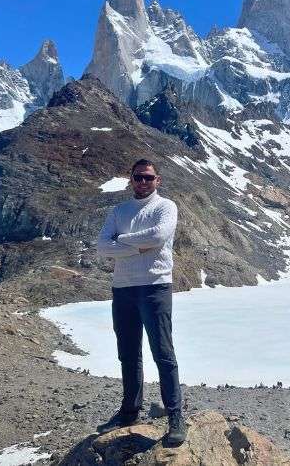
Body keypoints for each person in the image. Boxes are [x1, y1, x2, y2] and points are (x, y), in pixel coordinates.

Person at [95, 159, 186, 446]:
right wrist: (139, 245)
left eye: (148, 178)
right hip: (123, 289)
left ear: (157, 180)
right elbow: (101, 247)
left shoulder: (165, 207)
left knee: (163, 353)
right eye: (138, 177)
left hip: (155, 286)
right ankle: (129, 412)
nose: (143, 182)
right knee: (128, 354)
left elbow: (159, 236)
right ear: (130, 179)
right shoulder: (118, 210)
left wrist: (122, 241)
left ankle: (175, 416)